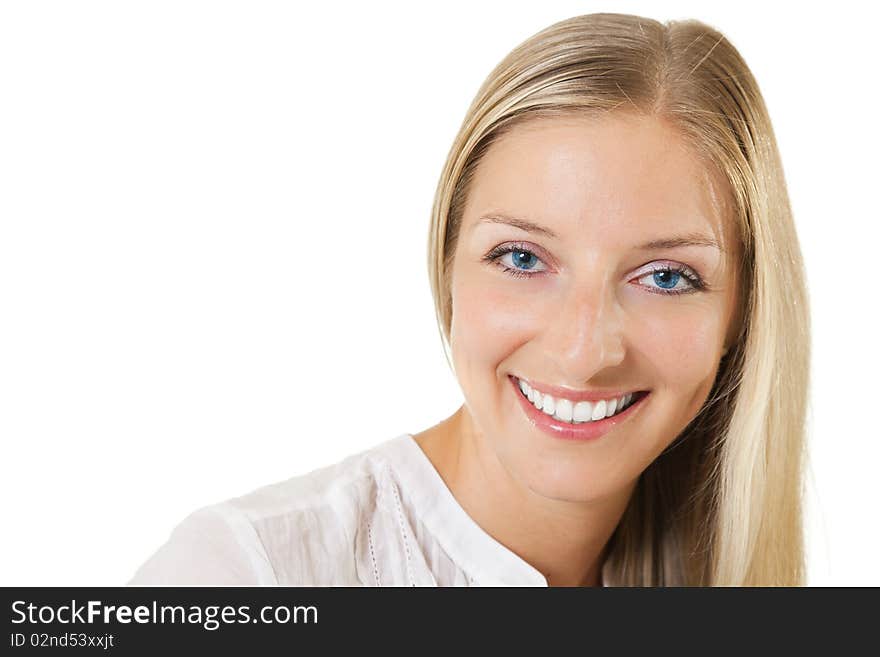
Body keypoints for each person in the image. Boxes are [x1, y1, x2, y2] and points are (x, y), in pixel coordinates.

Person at [129, 12, 810, 587]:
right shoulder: (240, 576)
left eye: (665, 276)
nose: (582, 351)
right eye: (522, 258)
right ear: (447, 265)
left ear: (743, 312)